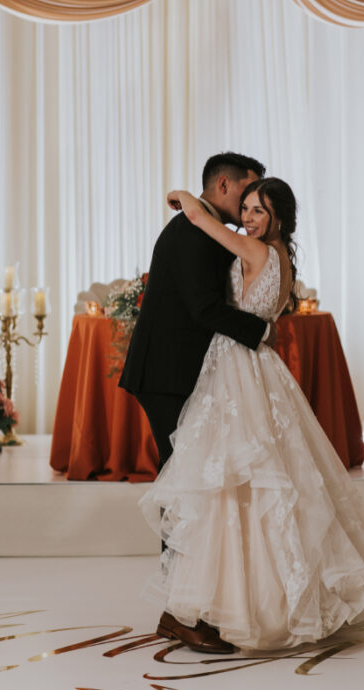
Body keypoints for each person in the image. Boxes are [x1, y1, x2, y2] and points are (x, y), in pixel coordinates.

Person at [138, 178, 364, 653]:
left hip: (234, 363)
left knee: (231, 480)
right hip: (258, 362)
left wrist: (183, 195)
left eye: (257, 211)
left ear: (277, 218)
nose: (246, 218)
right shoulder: (283, 258)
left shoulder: (252, 248)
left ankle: (218, 604)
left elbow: (203, 220)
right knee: (271, 478)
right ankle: (242, 599)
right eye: (245, 209)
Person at [119, 152, 275, 653]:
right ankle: (178, 612)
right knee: (181, 488)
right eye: (247, 192)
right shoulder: (190, 233)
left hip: (182, 372)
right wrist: (262, 331)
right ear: (224, 185)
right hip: (167, 375)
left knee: (189, 485)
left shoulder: (201, 224)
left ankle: (188, 603)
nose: (250, 203)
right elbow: (203, 307)